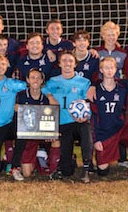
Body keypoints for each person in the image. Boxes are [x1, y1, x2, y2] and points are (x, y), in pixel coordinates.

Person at [92, 57, 128, 178]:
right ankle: (98, 158)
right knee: (103, 172)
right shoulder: (95, 90)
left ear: (116, 69)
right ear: (101, 70)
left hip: (121, 128)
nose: (109, 70)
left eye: (111, 67)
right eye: (106, 68)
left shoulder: (123, 88)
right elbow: (93, 117)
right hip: (105, 132)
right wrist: (96, 139)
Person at [42, 50, 93, 183]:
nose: (67, 63)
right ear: (59, 64)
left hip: (78, 122)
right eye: (64, 60)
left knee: (86, 129)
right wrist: (50, 96)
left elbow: (87, 103)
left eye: (70, 60)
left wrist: (85, 116)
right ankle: (68, 163)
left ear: (75, 64)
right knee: (66, 172)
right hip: (62, 123)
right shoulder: (53, 81)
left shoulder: (84, 82)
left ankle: (86, 168)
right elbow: (42, 88)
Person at [16, 68, 60, 178]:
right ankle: (37, 158)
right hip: (28, 136)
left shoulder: (46, 97)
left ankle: (52, 170)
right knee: (27, 174)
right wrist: (17, 108)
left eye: (38, 78)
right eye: (32, 78)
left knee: (56, 141)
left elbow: (55, 109)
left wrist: (50, 96)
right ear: (27, 80)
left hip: (42, 135)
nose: (35, 80)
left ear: (42, 81)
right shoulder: (20, 95)